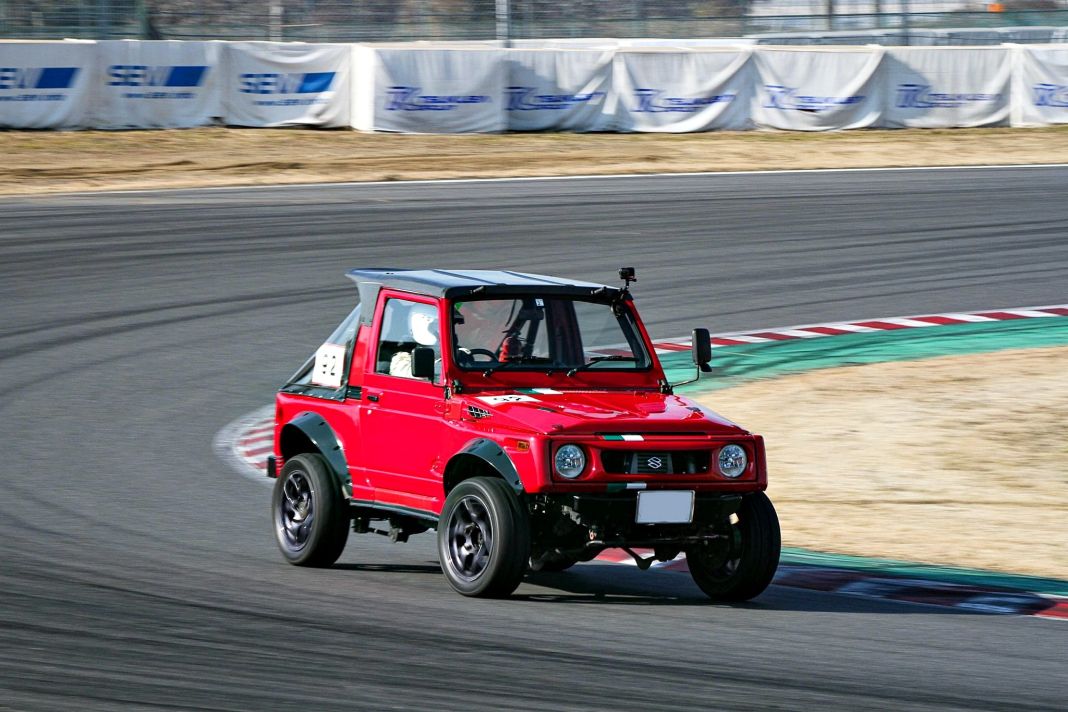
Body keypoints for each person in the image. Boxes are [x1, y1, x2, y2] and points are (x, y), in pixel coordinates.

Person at [389, 303, 439, 378]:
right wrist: (438, 367)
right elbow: (413, 378)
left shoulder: (447, 350)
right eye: (435, 325)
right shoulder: (401, 360)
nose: (439, 330)